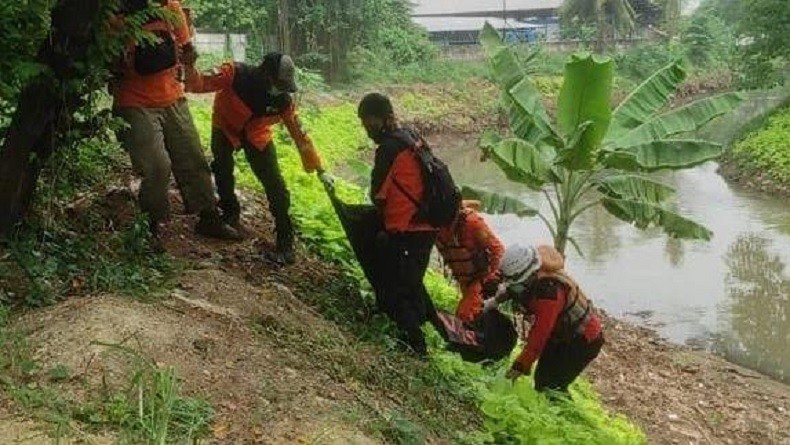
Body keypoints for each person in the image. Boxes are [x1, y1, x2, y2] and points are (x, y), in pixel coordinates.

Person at [111, 0, 240, 246]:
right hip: (134, 100)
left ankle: (209, 216)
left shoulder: (171, 7)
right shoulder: (117, 11)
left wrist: (189, 65)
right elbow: (108, 57)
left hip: (172, 96)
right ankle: (151, 226)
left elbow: (186, 47)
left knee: (193, 157)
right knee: (156, 166)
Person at [183, 52, 327, 265]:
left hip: (257, 135)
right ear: (266, 74)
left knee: (275, 184)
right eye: (278, 83)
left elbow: (299, 134)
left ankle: (285, 241)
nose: (280, 89)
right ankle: (229, 215)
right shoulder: (234, 73)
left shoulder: (283, 101)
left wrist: (317, 166)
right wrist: (189, 64)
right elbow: (198, 83)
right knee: (222, 169)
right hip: (225, 126)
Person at [359, 92, 440, 356]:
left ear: (379, 119)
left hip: (408, 230)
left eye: (367, 122)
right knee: (411, 282)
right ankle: (425, 325)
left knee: (396, 289)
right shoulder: (411, 137)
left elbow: (377, 194)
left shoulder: (389, 149)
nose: (366, 129)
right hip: (427, 225)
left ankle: (416, 347)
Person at [484, 244, 604, 393]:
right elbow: (512, 288)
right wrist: (492, 303)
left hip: (583, 340)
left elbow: (538, 337)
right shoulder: (533, 268)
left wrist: (519, 366)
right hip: (561, 333)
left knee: (550, 385)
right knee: (543, 377)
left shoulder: (549, 295)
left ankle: (561, 413)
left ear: (529, 275)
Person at [436, 200, 504, 323]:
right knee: (475, 316)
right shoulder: (432, 224)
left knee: (465, 315)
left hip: (481, 279)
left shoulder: (472, 223)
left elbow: (498, 250)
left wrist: (491, 280)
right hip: (464, 280)